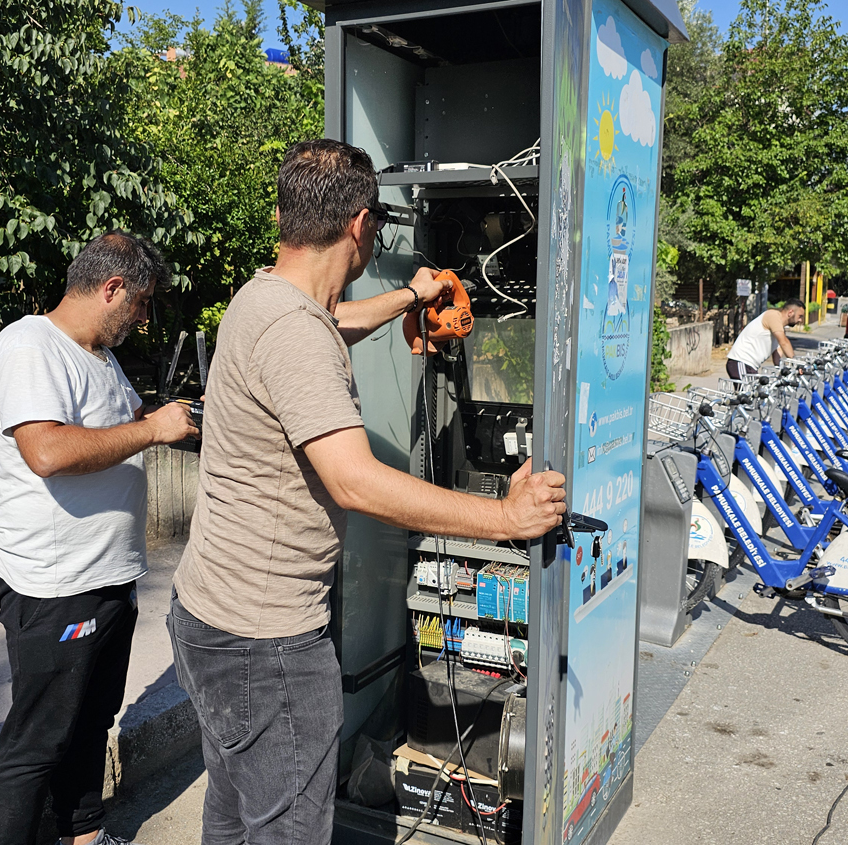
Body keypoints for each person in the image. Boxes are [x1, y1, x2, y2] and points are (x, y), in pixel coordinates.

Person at [169, 139, 567, 845]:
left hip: (208, 615)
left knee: (233, 814)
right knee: (287, 828)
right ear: (359, 225)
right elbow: (353, 479)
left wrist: (413, 295)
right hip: (267, 646)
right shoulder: (296, 331)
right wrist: (506, 515)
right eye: (377, 224)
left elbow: (333, 323)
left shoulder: (263, 298)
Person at [0, 231, 200, 845]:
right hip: (55, 585)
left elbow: (119, 428)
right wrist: (151, 432)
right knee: (38, 738)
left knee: (89, 722)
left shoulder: (97, 358)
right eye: (142, 304)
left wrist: (165, 422)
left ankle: (82, 832)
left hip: (108, 577)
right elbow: (47, 450)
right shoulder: (29, 346)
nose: (145, 318)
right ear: (113, 289)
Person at [726, 299, 806, 381]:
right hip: (741, 361)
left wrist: (782, 370)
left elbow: (777, 353)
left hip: (750, 365)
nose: (800, 320)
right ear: (790, 313)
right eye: (800, 316)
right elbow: (784, 343)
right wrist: (797, 364)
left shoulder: (779, 329)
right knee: (746, 392)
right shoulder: (773, 316)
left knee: (756, 392)